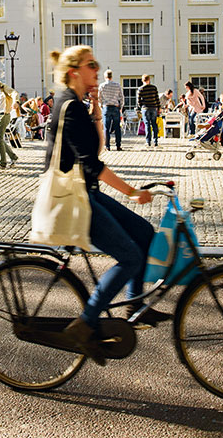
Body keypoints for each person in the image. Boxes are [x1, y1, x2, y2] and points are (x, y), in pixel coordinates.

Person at [45, 45, 157, 366]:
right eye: (91, 64)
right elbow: (92, 164)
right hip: (73, 198)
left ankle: (135, 305)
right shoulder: (68, 105)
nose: (97, 68)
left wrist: (95, 105)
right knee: (131, 257)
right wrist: (131, 192)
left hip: (86, 192)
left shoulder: (78, 103)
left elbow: (99, 147)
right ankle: (85, 323)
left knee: (144, 233)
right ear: (74, 71)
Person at [98, 68, 124, 151]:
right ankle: (118, 145)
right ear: (111, 76)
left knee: (106, 128)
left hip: (106, 107)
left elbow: (99, 98)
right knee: (117, 128)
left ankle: (107, 146)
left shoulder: (102, 86)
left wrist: (101, 106)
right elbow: (121, 97)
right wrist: (120, 107)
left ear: (105, 76)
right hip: (115, 107)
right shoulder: (117, 85)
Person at [136, 74, 160, 147]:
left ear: (142, 80)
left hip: (145, 108)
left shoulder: (140, 89)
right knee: (154, 124)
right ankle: (155, 141)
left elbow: (138, 100)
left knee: (147, 124)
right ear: (149, 79)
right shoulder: (154, 88)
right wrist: (158, 107)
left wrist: (141, 106)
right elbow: (157, 98)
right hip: (153, 107)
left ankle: (148, 141)